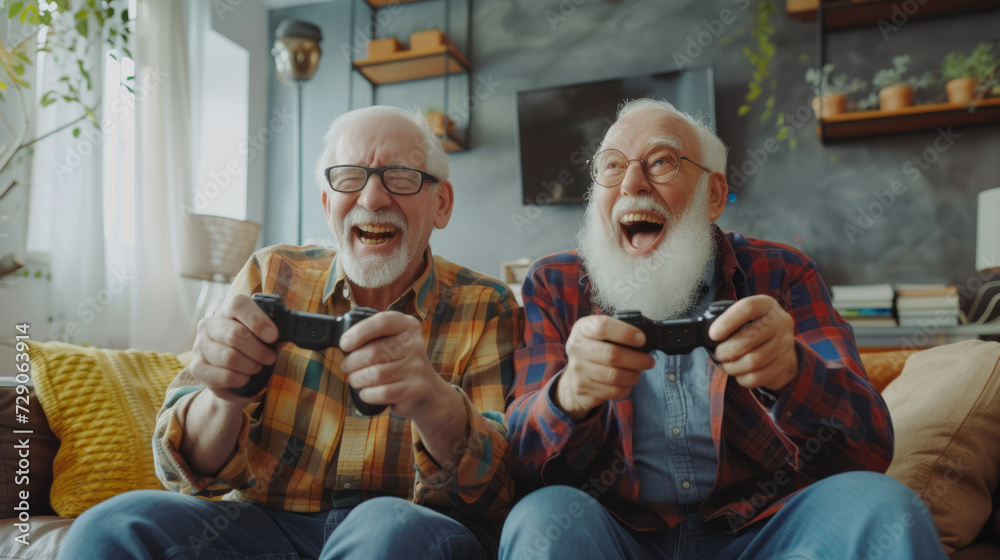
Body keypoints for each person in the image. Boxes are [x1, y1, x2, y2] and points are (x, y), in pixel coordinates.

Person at [59, 106, 519, 560]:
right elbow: (180, 470)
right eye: (348, 177)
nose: (373, 198)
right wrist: (224, 396)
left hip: (412, 528)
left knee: (387, 526)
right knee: (113, 526)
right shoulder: (273, 272)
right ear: (327, 204)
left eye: (399, 176)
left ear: (441, 204)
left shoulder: (487, 304)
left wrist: (431, 401)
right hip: (263, 524)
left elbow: (498, 491)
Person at [500, 98, 946, 560]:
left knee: (883, 506)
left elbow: (870, 448)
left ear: (712, 195)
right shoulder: (554, 284)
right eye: (612, 166)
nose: (632, 183)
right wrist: (568, 396)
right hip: (617, 531)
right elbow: (519, 458)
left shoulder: (782, 273)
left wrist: (792, 372)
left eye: (661, 162)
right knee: (542, 517)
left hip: (763, 528)